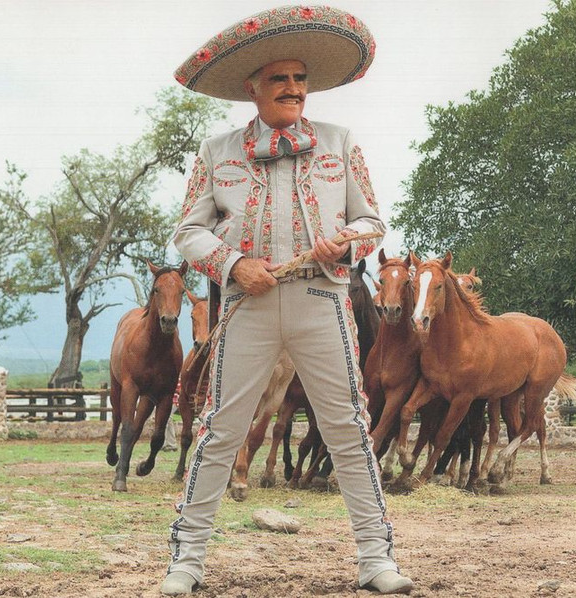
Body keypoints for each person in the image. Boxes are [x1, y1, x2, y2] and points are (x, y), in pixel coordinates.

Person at [162, 6, 414, 595]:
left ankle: (376, 559)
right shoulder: (216, 151)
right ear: (252, 87)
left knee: (348, 425)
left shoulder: (339, 143)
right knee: (220, 429)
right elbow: (188, 232)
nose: (294, 88)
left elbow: (372, 221)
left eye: (300, 78)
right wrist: (233, 264)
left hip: (321, 300)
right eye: (280, 79)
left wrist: (347, 241)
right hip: (247, 306)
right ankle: (186, 561)